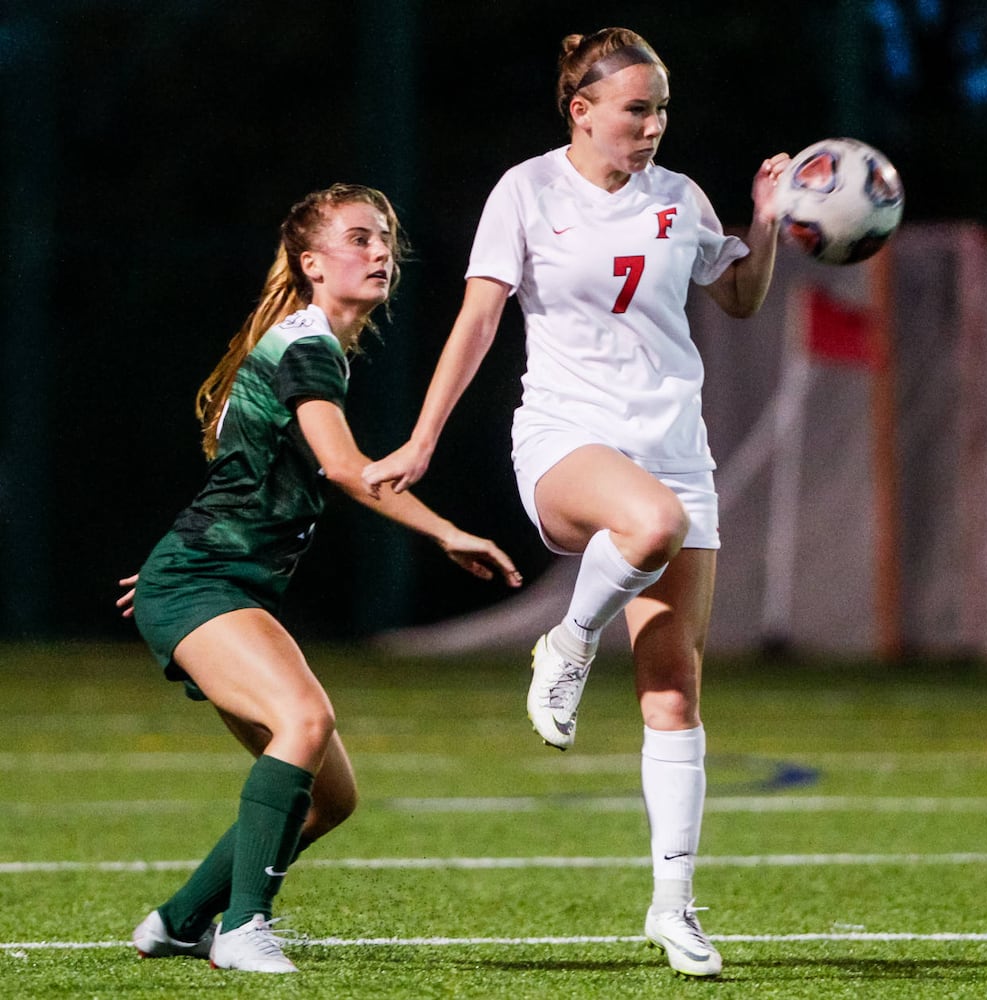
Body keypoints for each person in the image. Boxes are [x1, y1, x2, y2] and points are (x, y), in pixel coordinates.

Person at [361, 29, 788, 978]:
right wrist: (424, 438)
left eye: (662, 108)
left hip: (676, 446)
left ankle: (673, 909)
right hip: (565, 441)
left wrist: (762, 224)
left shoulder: (681, 199)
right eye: (635, 108)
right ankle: (567, 638)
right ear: (580, 109)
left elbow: (742, 300)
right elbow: (478, 318)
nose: (651, 126)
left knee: (673, 688)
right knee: (649, 525)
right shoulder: (527, 190)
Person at [118, 183, 522, 974]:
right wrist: (445, 530)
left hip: (209, 581)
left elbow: (243, 477)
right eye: (359, 239)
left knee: (331, 797)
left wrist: (177, 568)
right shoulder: (306, 346)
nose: (380, 254)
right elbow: (344, 468)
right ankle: (243, 931)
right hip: (205, 583)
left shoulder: (307, 343)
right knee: (303, 719)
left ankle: (178, 921)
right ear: (311, 263)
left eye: (385, 241)